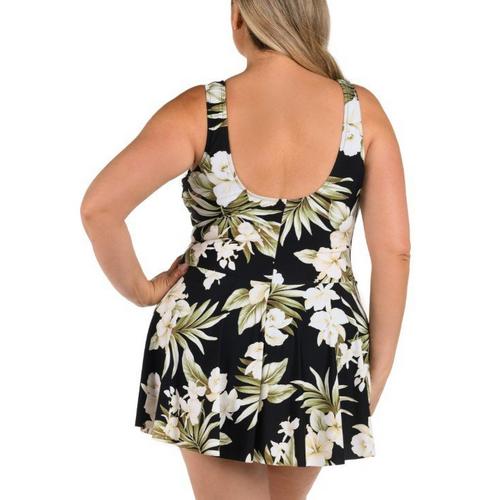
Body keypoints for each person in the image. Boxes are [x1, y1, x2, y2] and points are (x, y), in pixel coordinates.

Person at [80, 1, 411, 498]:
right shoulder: (360, 112)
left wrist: (142, 289)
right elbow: (395, 252)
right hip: (316, 344)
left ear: (240, 16)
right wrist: (376, 373)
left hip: (213, 336)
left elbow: (99, 208)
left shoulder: (202, 109)